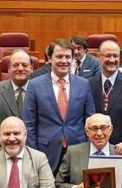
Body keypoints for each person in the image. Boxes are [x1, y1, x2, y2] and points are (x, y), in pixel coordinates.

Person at [24, 38, 96, 172]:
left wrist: (87, 147)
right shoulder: (35, 84)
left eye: (68, 57)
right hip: (45, 152)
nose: (64, 60)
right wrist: (33, 154)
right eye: (59, 56)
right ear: (50, 58)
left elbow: (90, 120)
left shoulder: (83, 84)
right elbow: (29, 123)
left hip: (77, 149)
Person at [0, 49, 33, 118]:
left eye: (24, 65)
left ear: (31, 68)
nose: (20, 69)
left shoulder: (41, 90)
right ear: (9, 69)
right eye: (15, 65)